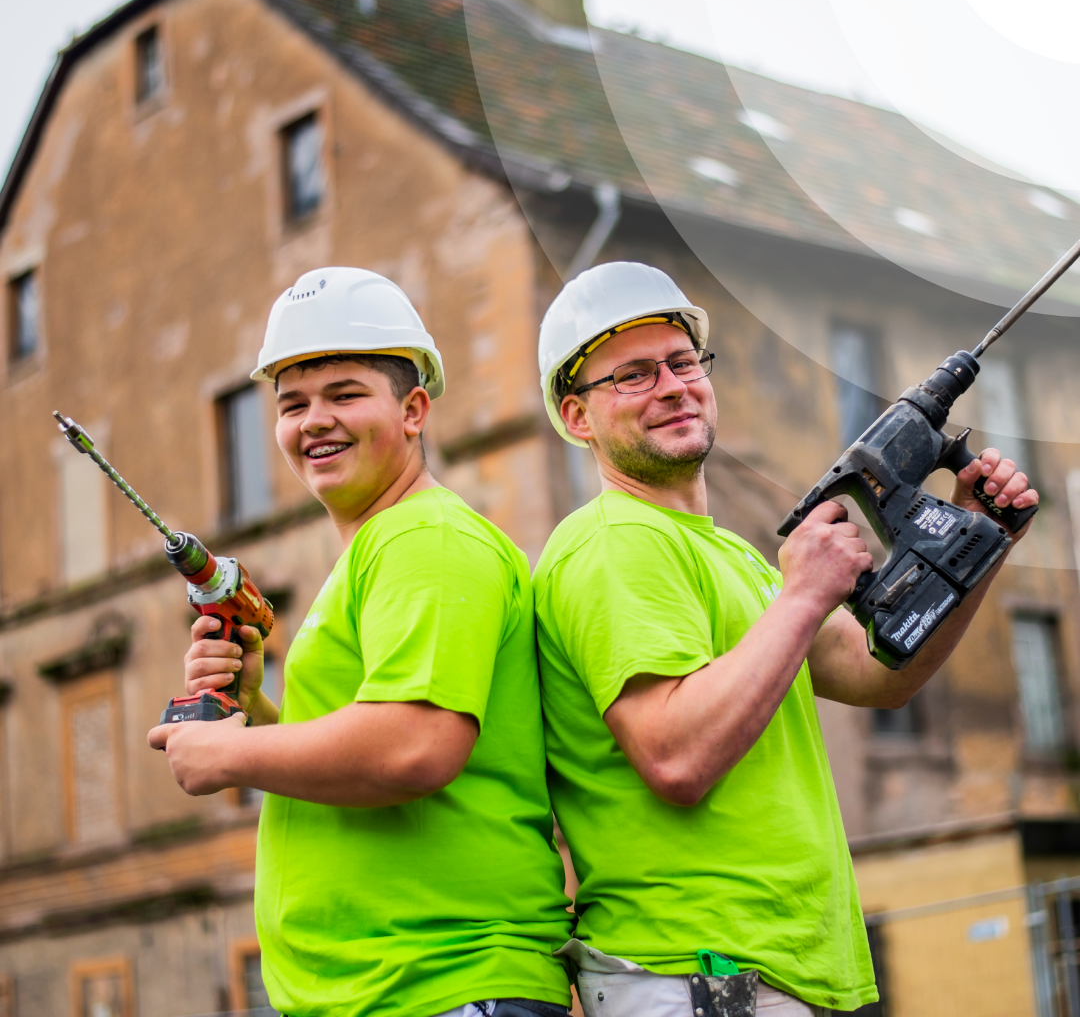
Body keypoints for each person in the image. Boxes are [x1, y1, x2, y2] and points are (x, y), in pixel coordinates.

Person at [532, 261, 1038, 1017]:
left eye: (681, 362)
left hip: (769, 969)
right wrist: (802, 594)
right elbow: (674, 757)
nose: (673, 386)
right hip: (701, 968)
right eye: (632, 376)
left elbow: (881, 671)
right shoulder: (612, 542)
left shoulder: (729, 555)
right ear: (577, 418)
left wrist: (976, 543)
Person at [149, 267, 573, 1017]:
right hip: (392, 988)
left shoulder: (426, 540)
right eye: (292, 405)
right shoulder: (382, 549)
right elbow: (357, 757)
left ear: (413, 410)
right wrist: (258, 708)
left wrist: (226, 752)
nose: (313, 421)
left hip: (440, 980)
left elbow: (414, 745)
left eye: (344, 395)